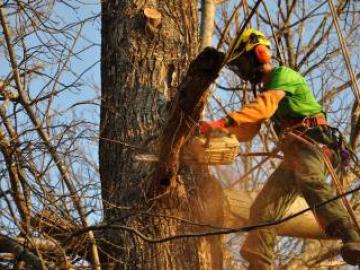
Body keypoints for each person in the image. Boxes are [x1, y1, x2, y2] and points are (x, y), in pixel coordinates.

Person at [200, 29, 360, 269]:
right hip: (297, 154)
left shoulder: (282, 75)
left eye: (242, 62)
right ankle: (260, 261)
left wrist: (225, 121)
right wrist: (218, 131)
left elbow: (263, 107)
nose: (242, 71)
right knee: (263, 208)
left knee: (310, 178)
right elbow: (248, 129)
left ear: (259, 53)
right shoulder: (267, 92)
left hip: (317, 144)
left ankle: (350, 234)